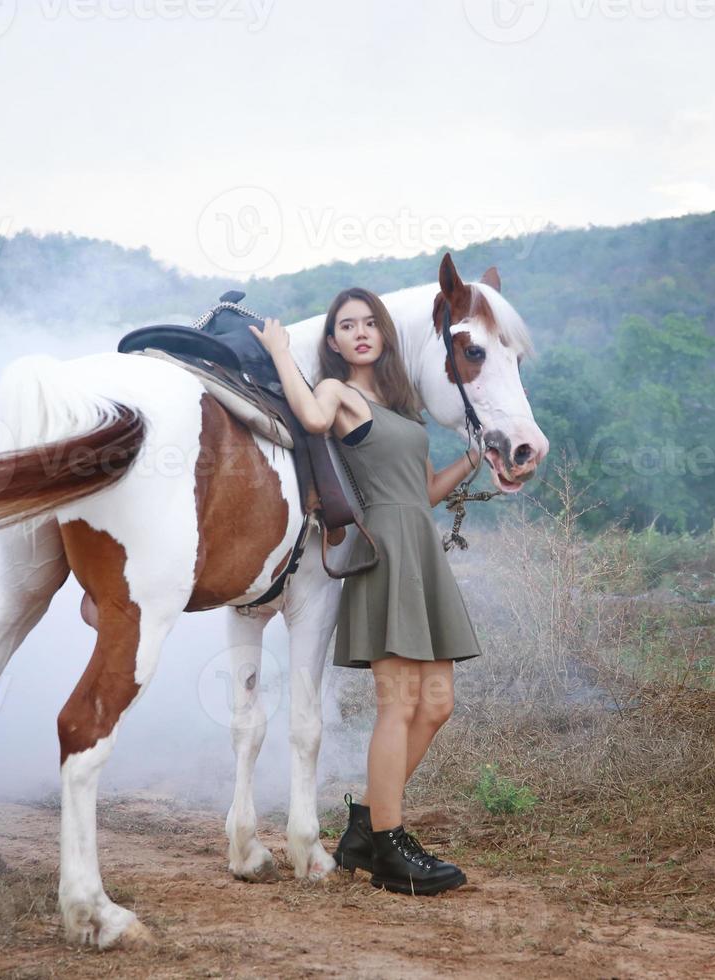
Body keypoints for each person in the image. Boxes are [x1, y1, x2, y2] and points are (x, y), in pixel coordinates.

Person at [248, 287, 483, 896]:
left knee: (436, 705)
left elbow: (423, 491)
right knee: (398, 704)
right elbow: (314, 419)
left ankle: (363, 826)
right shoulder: (337, 392)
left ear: (384, 334)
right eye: (346, 325)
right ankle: (389, 843)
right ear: (332, 341)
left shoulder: (402, 407)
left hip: (420, 548)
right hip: (384, 555)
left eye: (369, 323)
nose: (360, 333)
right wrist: (279, 352)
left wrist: (470, 462)